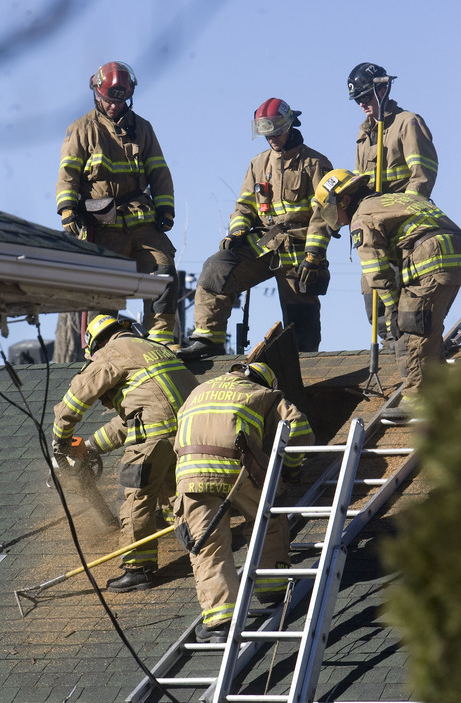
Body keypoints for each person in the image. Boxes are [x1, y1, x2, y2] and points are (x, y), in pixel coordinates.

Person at [176, 98, 333, 360]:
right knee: (217, 269)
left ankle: (305, 367)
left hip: (299, 251)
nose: (271, 138)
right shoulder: (257, 164)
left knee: (302, 326)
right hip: (263, 243)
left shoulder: (316, 163)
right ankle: (208, 339)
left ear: (290, 125)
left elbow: (324, 215)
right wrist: (236, 231)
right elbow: (244, 206)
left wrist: (314, 256)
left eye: (276, 131)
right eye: (266, 133)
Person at [52, 313, 198, 591]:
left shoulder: (109, 354)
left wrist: (60, 441)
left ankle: (138, 568)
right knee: (175, 490)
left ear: (95, 343)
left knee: (134, 495)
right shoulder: (153, 349)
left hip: (156, 437)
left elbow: (74, 400)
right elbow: (134, 418)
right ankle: (192, 539)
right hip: (190, 431)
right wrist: (92, 447)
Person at [173, 361, 314, 642]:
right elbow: (298, 427)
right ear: (263, 381)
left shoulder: (197, 392)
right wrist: (292, 468)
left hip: (189, 476)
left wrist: (178, 507)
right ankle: (272, 586)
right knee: (269, 519)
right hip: (237, 468)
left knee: (207, 544)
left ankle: (220, 620)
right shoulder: (262, 393)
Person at [314, 169, 461, 415]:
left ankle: (418, 398)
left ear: (344, 201)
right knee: (429, 329)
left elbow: (376, 270)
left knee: (409, 328)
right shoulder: (396, 199)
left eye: (330, 209)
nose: (336, 219)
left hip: (428, 258)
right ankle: (442, 388)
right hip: (452, 254)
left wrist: (392, 307)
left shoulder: (362, 217)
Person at [56, 62, 178, 345]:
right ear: (97, 95)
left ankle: (160, 341)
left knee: (163, 271)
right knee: (104, 286)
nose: (113, 106)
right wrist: (68, 210)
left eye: (120, 100)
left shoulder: (143, 128)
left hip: (142, 220)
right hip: (102, 225)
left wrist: (165, 209)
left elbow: (160, 172)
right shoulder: (81, 129)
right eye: (109, 100)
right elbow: (68, 174)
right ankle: (102, 349)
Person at [348, 62, 439, 342]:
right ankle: (389, 352)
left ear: (383, 88)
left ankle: (408, 355)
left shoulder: (407, 122)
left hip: (402, 226)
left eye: (366, 96)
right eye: (358, 99)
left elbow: (422, 176)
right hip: (374, 229)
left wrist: (400, 214)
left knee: (406, 303)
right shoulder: (364, 135)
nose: (362, 104)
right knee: (372, 293)